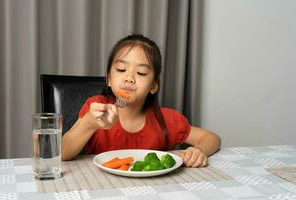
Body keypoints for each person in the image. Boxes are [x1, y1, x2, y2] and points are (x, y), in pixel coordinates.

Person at [61, 34, 221, 167]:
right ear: (109, 79)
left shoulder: (168, 119)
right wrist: (88, 123)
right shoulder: (95, 108)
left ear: (153, 86)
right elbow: (62, 152)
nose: (129, 78)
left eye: (141, 73)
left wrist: (199, 150)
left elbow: (212, 138)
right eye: (121, 70)